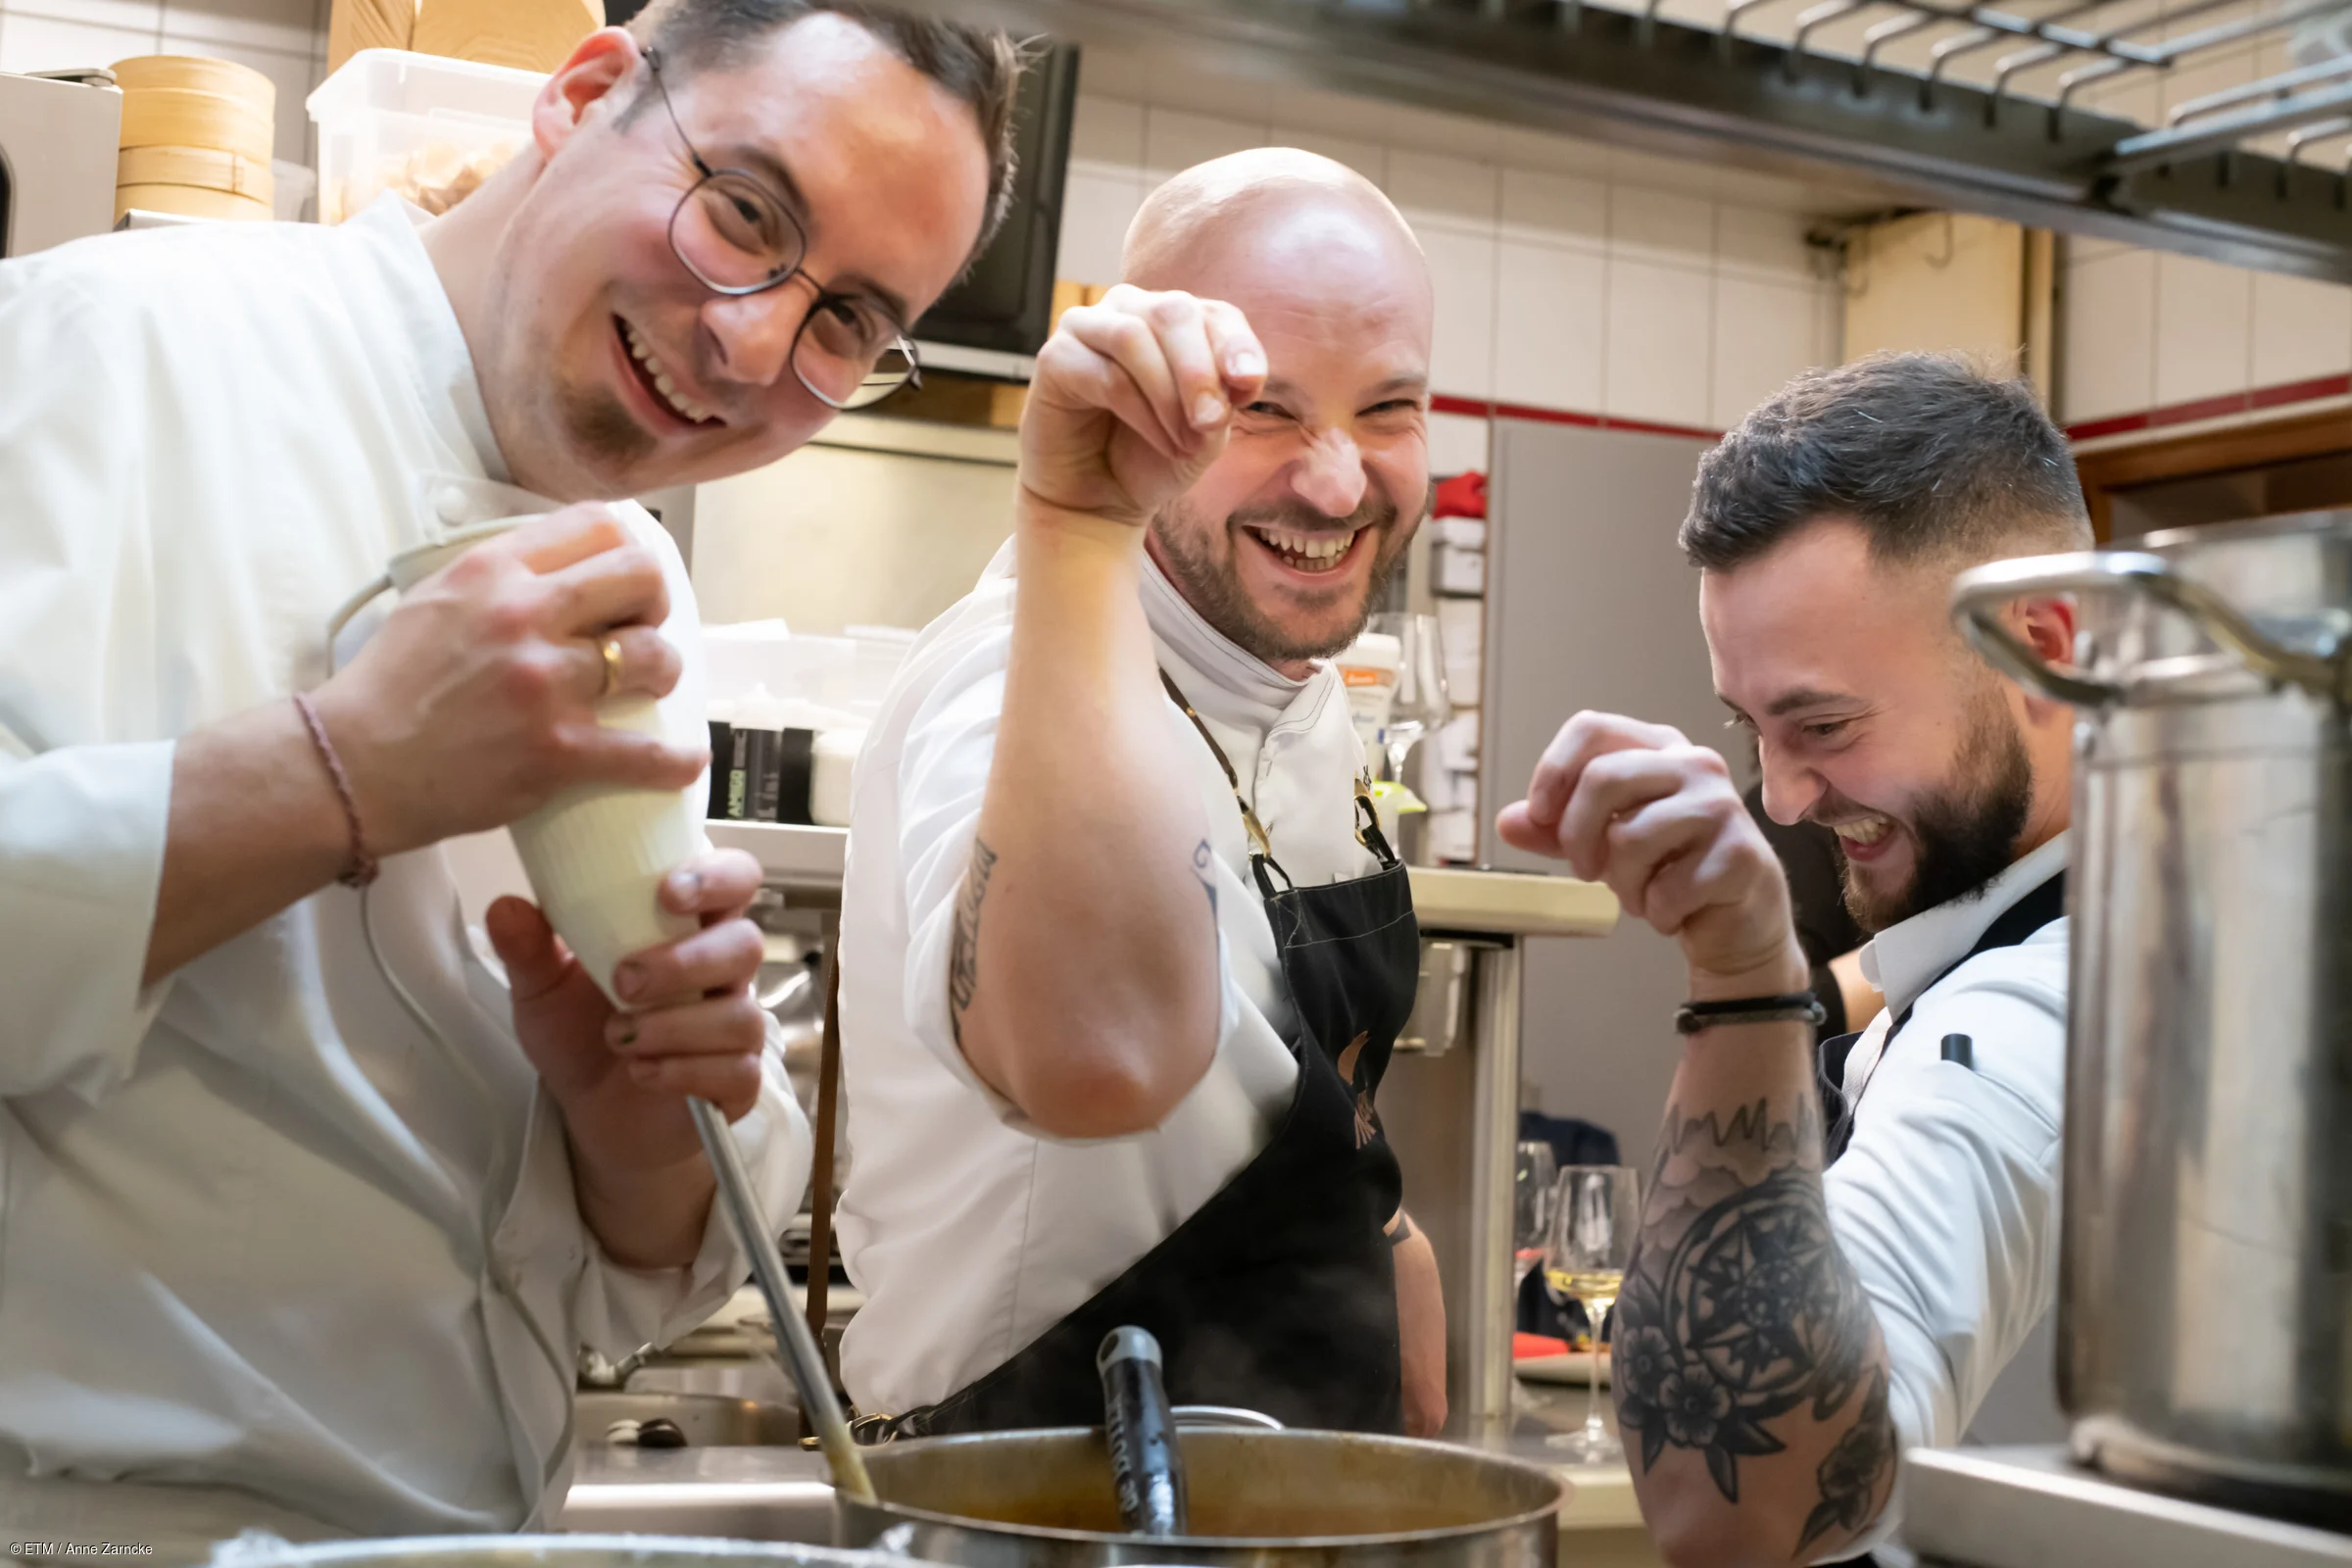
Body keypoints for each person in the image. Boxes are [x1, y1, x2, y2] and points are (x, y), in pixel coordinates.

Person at [0, 1, 1019, 1549]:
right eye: (744, 211)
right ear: (589, 93)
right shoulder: (101, 344)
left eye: (847, 325)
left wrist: (628, 1131)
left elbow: (606, 1277)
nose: (752, 344)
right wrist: (337, 771)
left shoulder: (635, 578)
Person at [836, 149, 1448, 1436]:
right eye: (1266, 411)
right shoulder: (1007, 686)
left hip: (1280, 1493)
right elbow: (1090, 1063)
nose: (1338, 485)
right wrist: (1079, 510)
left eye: (1386, 411)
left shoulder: (1302, 692)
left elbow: (1304, 1106)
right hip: (1028, 1497)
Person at [1499, 354, 2086, 1566]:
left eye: (1824, 725)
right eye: (1750, 728)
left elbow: (1750, 1509)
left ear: (2042, 647)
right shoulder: (2091, 919)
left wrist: (1743, 975)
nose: (1783, 793)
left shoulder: (2033, 1018)